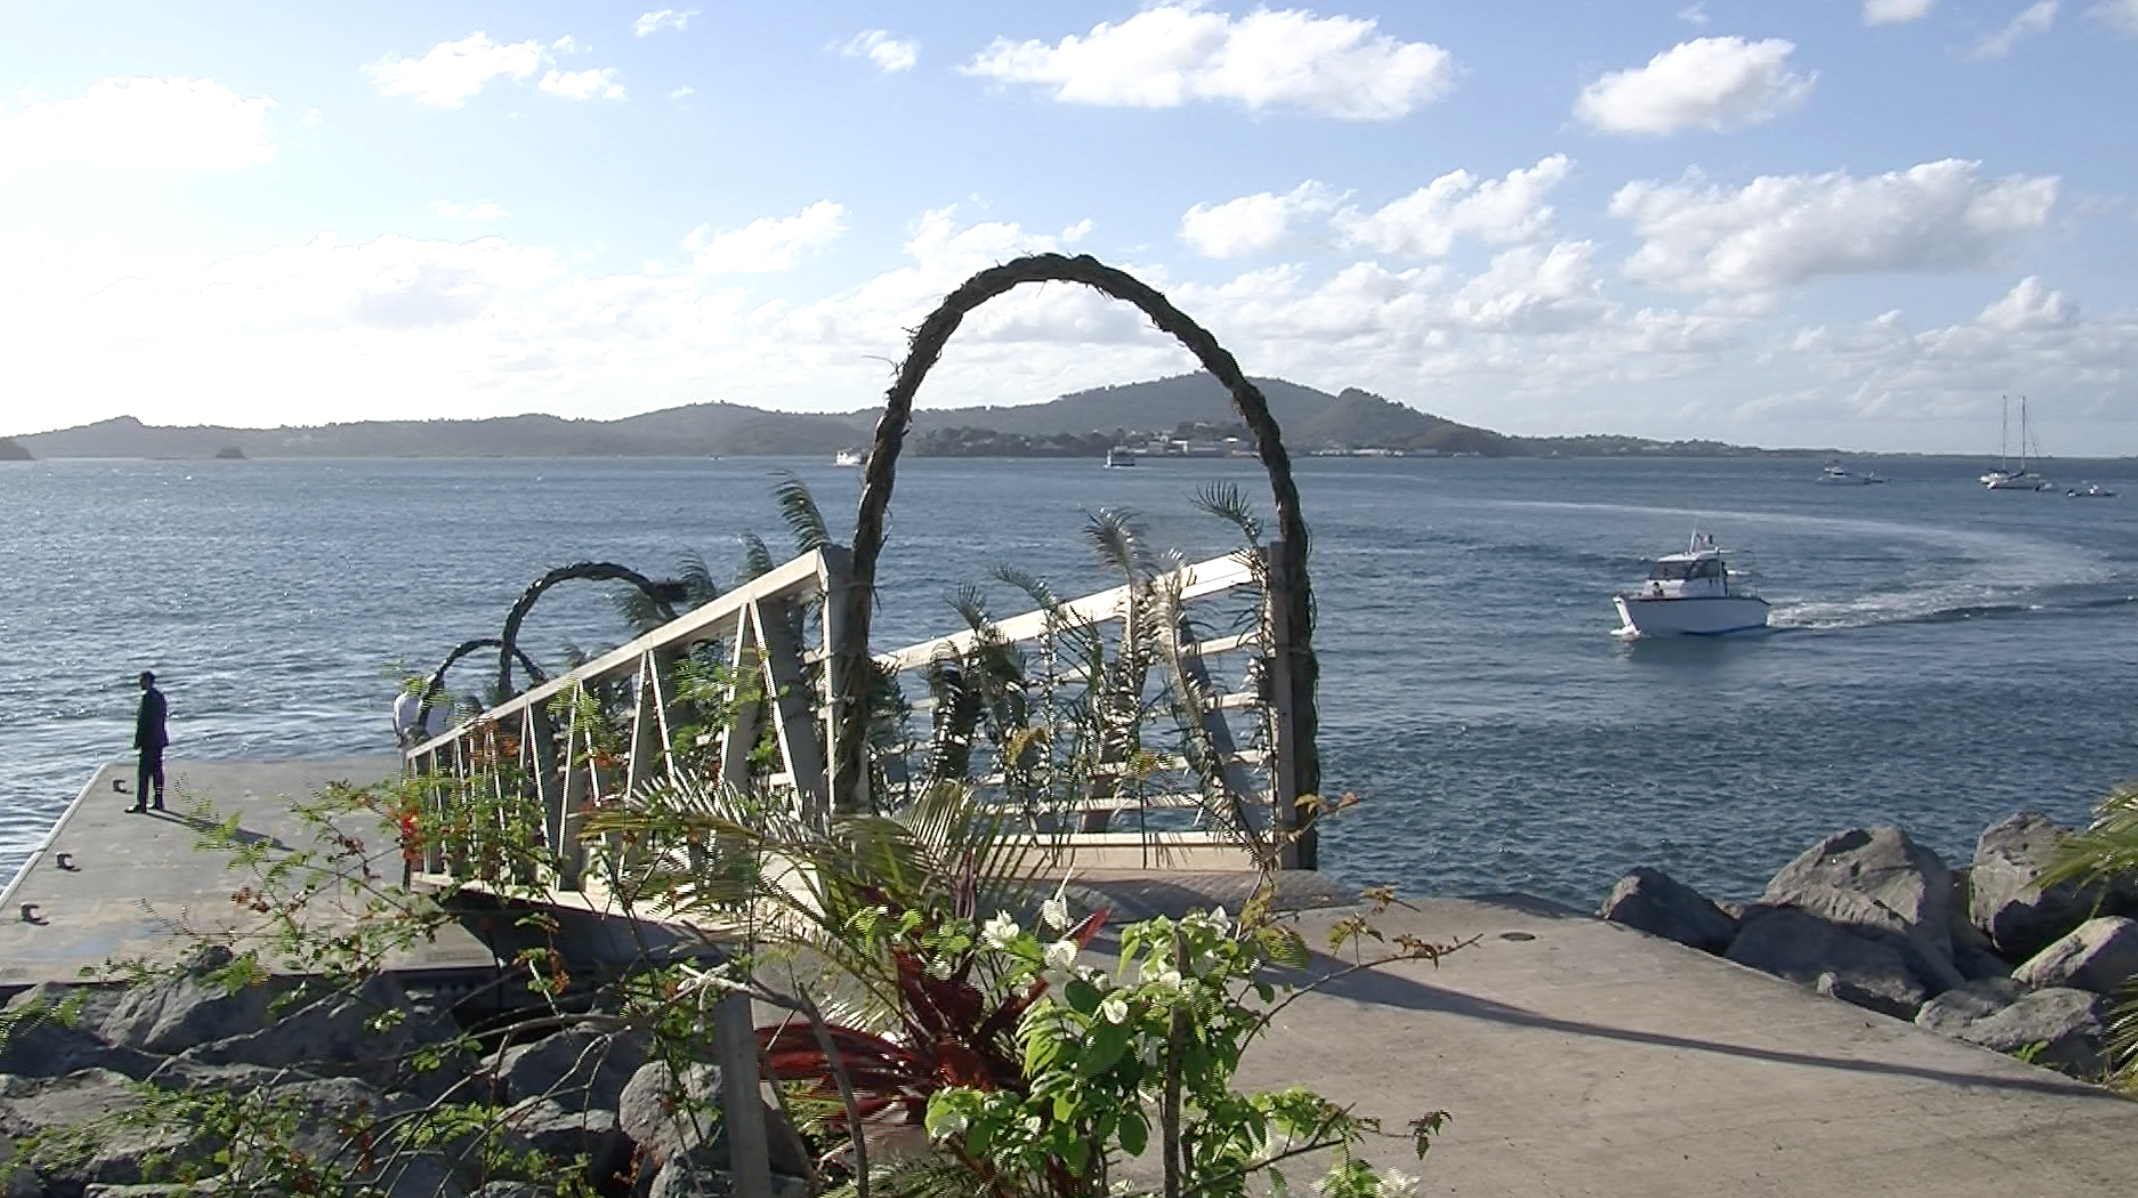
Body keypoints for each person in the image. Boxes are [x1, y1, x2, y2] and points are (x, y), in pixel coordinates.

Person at [132, 671, 168, 812]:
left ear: (147, 681)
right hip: (159, 739)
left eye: (141, 680)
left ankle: (141, 803)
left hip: (148, 741)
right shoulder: (159, 696)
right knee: (157, 772)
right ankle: (158, 800)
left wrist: (137, 741)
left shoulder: (147, 697)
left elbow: (143, 722)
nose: (139, 683)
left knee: (143, 774)